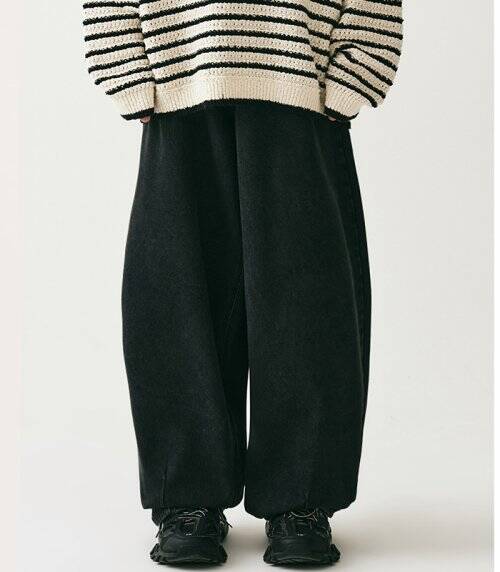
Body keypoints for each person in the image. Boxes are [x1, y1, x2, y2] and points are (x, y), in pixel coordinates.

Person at [83, 0, 403, 566]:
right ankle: (189, 498)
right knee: (175, 301)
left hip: (302, 89)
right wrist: (128, 73)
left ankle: (301, 499)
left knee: (310, 308)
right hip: (181, 83)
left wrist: (352, 77)